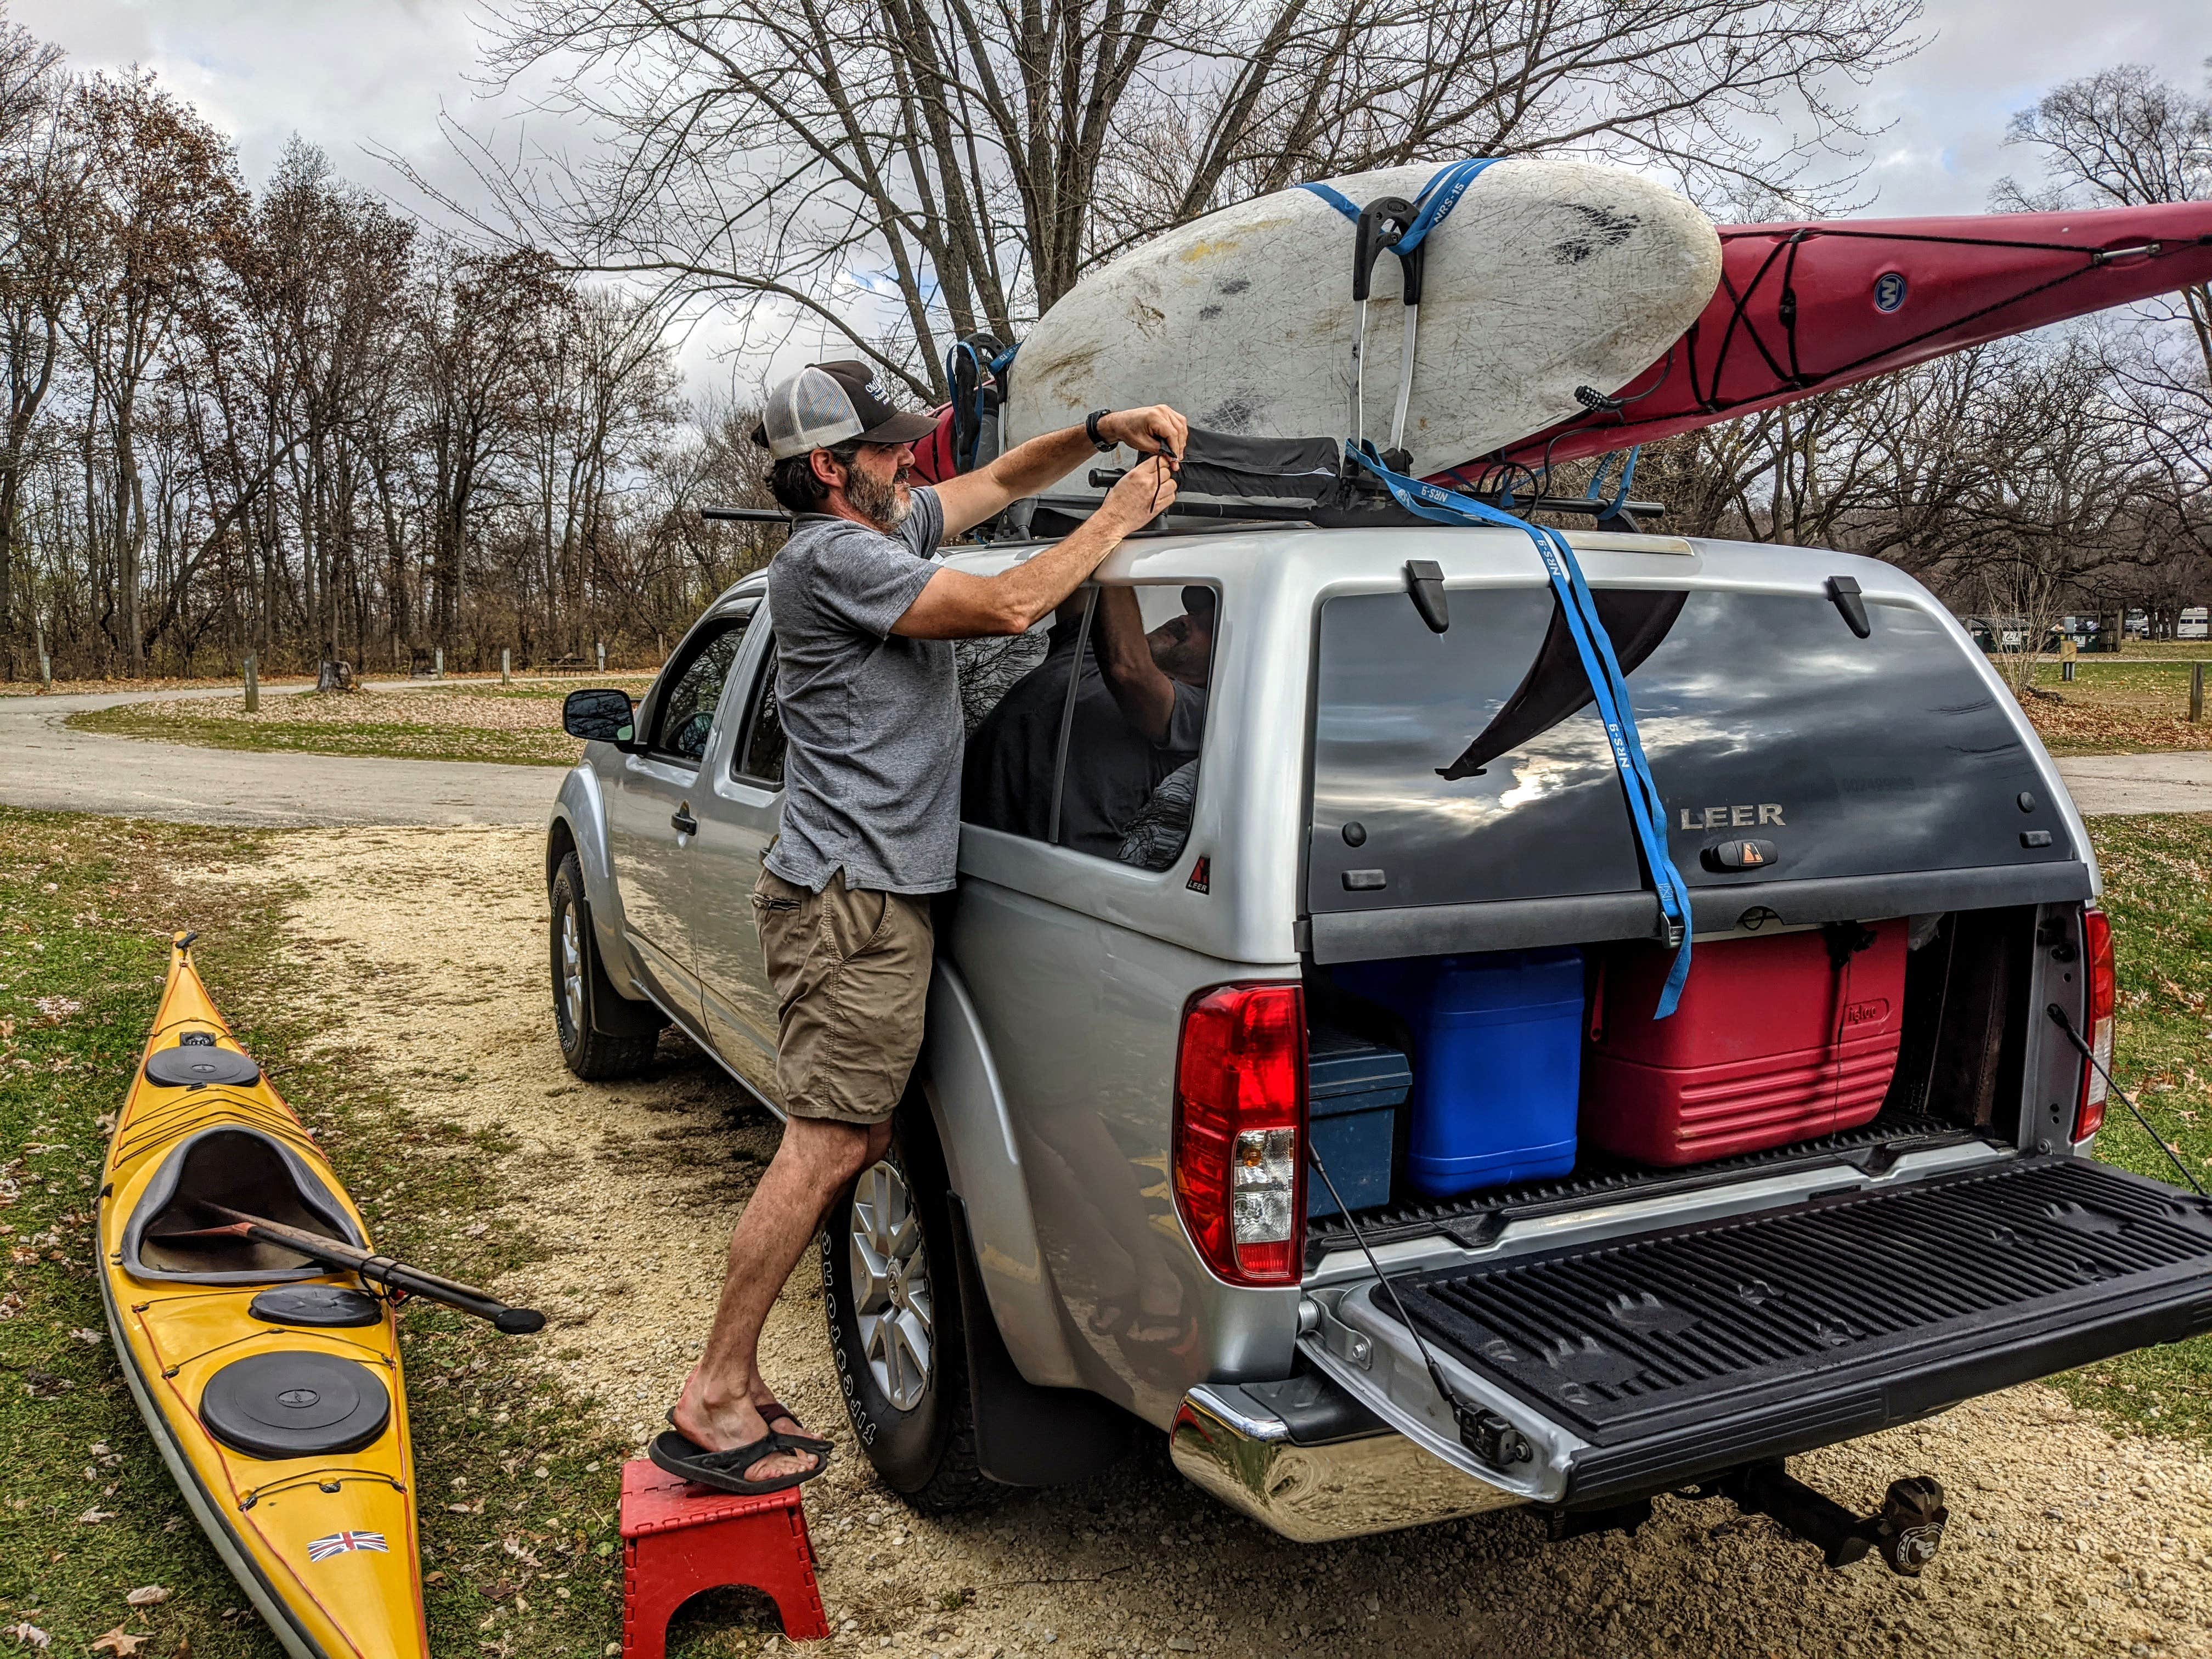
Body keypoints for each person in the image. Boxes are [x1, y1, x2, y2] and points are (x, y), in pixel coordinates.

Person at [652, 359, 1187, 1496]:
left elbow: (995, 476)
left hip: (867, 896)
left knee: (846, 1137)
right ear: (832, 471)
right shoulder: (837, 558)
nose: (912, 461)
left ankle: (728, 1385)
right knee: (832, 1142)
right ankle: (713, 1394)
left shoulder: (885, 526)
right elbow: (1007, 605)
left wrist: (1100, 428)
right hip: (853, 904)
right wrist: (1119, 515)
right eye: (889, 448)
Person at [962, 585, 1215, 861]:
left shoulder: (1201, 713)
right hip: (954, 848)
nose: (1184, 620)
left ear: (1220, 662)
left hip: (1051, 880)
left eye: (1207, 626)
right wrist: (1090, 546)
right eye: (1192, 613)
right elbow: (1084, 581)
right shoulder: (1089, 650)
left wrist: (1108, 543)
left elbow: (1128, 670)